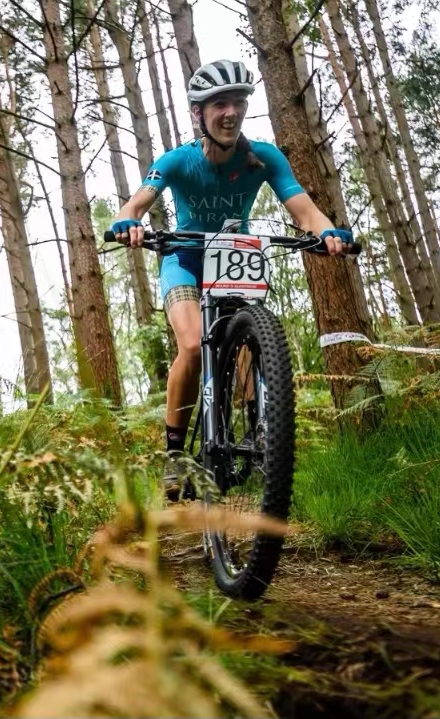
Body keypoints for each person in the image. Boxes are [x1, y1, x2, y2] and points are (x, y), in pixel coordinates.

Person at [110, 59, 353, 497]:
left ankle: (259, 424)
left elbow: (304, 209)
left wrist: (328, 232)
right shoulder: (178, 161)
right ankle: (174, 453)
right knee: (191, 344)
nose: (231, 112)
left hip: (234, 260)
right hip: (183, 260)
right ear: (199, 114)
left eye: (238, 102)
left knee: (249, 333)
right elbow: (135, 205)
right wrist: (129, 222)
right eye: (219, 103)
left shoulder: (264, 157)